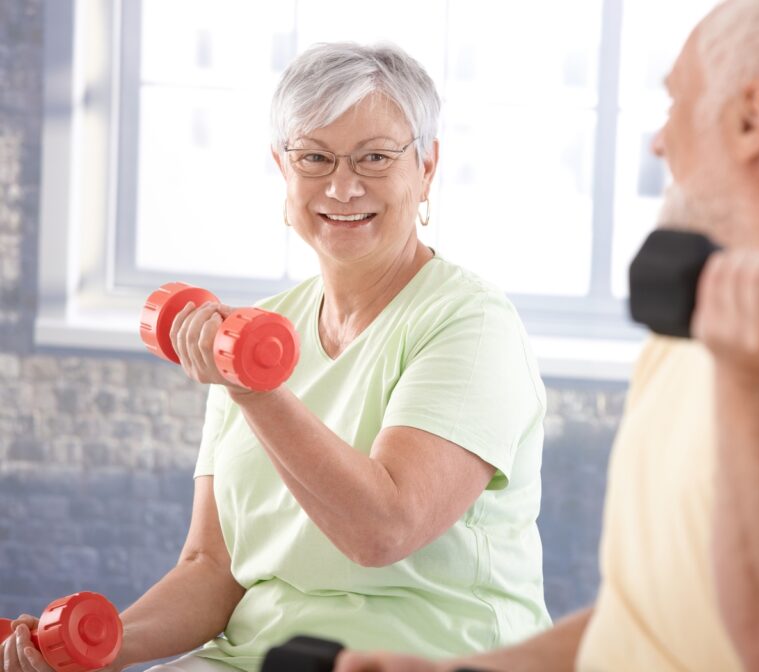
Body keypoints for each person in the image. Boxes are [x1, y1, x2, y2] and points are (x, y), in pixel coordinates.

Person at [335, 1, 759, 670]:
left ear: (753, 119)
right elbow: (648, 624)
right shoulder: (708, 313)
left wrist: (754, 383)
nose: (661, 141)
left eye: (675, 105)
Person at [0, 42, 551, 672]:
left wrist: (255, 391)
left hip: (424, 657)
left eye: (375, 156)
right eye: (314, 157)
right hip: (254, 657)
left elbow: (383, 532)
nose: (342, 185)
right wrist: (93, 651)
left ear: (426, 167)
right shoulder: (255, 333)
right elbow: (211, 569)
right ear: (282, 169)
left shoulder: (470, 324)